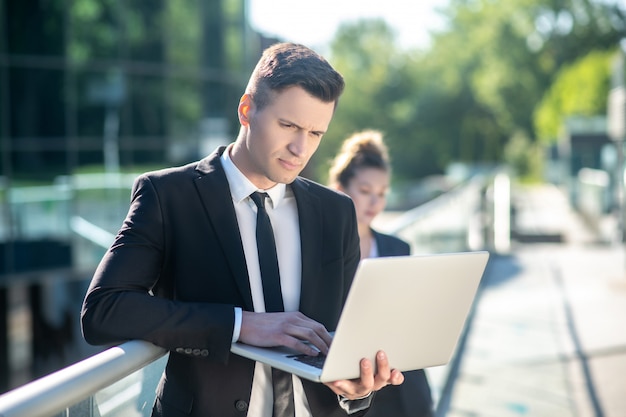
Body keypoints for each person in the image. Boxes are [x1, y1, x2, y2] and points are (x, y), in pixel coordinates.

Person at [80, 42, 404, 417]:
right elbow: (103, 310)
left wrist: (357, 389)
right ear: (246, 110)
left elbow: (346, 334)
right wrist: (240, 324)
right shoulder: (169, 196)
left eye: (316, 133)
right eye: (289, 125)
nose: (301, 148)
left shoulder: (337, 212)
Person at [328, 130, 434, 417]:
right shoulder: (320, 252)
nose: (374, 203)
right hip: (346, 383)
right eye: (365, 192)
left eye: (382, 194)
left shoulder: (397, 246)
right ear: (340, 190)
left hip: (401, 381)